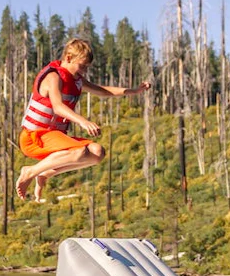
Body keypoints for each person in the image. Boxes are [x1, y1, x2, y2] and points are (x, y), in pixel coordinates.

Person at [16, 38, 150, 202]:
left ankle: (46, 173)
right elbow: (57, 107)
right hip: (34, 137)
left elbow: (103, 91)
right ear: (68, 58)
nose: (85, 71)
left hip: (52, 137)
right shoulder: (53, 77)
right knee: (80, 151)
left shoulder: (76, 79)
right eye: (82, 66)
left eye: (87, 67)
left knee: (97, 153)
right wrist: (83, 121)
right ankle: (30, 172)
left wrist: (133, 91)